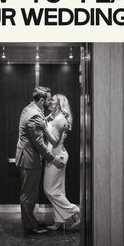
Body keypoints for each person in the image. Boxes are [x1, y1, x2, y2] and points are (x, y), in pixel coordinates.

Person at [15, 87, 65, 235]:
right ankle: (30, 227)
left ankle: (30, 221)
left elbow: (40, 122)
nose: (49, 103)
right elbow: (39, 143)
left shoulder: (29, 108)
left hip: (25, 156)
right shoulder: (34, 115)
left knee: (28, 193)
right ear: (42, 100)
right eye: (48, 100)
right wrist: (53, 159)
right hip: (29, 160)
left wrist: (46, 119)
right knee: (28, 195)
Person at [35, 94, 80, 230]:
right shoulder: (55, 117)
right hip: (56, 155)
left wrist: (44, 127)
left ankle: (75, 210)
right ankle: (59, 222)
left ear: (59, 104)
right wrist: (47, 120)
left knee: (49, 190)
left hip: (57, 156)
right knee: (58, 190)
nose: (50, 102)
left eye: (53, 100)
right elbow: (50, 125)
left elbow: (54, 142)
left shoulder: (60, 120)